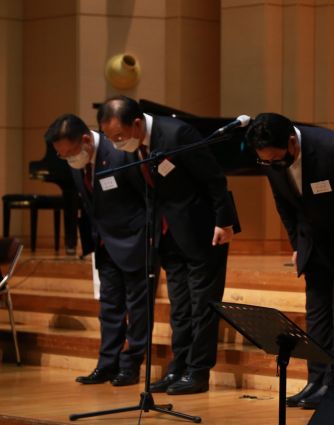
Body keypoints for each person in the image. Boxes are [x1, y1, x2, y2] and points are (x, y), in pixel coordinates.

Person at [245, 113, 334, 409]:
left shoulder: (332, 147)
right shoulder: (271, 161)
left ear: (290, 142)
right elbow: (284, 205)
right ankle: (316, 380)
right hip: (313, 247)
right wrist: (297, 245)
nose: (271, 166)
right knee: (317, 319)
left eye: (275, 159)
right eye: (266, 162)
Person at [97, 96, 237, 395]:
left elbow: (214, 179)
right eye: (109, 138)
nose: (115, 143)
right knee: (180, 308)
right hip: (168, 236)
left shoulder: (176, 134)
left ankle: (198, 372)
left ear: (136, 123)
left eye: (118, 136)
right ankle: (178, 367)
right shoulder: (130, 148)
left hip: (203, 232)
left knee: (203, 306)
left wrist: (223, 222)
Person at [45, 114, 151, 387]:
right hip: (104, 244)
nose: (68, 158)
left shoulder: (119, 153)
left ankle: (131, 366)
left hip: (134, 241)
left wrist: (144, 236)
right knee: (109, 308)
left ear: (84, 140)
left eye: (69, 152)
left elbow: (145, 196)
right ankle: (107, 365)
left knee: (138, 309)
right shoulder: (76, 160)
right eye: (62, 155)